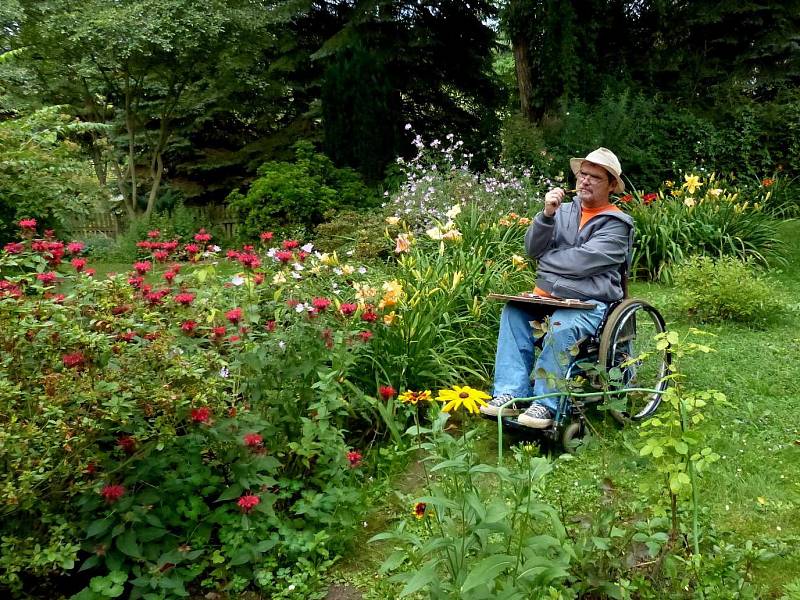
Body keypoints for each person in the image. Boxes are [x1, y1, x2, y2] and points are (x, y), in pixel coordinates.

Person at [480, 148, 635, 429]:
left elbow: (582, 262)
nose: (585, 181)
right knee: (514, 312)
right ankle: (511, 394)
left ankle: (546, 403)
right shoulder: (561, 211)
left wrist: (547, 265)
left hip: (592, 303)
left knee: (561, 326)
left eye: (594, 177)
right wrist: (546, 217)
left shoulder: (618, 225)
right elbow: (533, 249)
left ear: (612, 185)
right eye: (582, 174)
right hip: (549, 298)